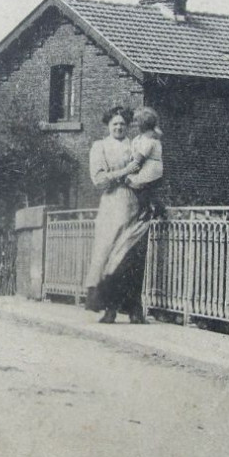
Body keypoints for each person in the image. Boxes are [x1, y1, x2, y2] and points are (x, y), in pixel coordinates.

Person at [84, 104, 164, 324]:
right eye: (115, 124)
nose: (119, 127)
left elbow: (151, 169)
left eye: (122, 124)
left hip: (135, 205)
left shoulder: (137, 144)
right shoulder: (99, 147)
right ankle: (109, 308)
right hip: (112, 206)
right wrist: (125, 172)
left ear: (128, 126)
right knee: (111, 256)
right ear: (108, 125)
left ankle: (134, 310)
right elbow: (99, 180)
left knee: (133, 259)